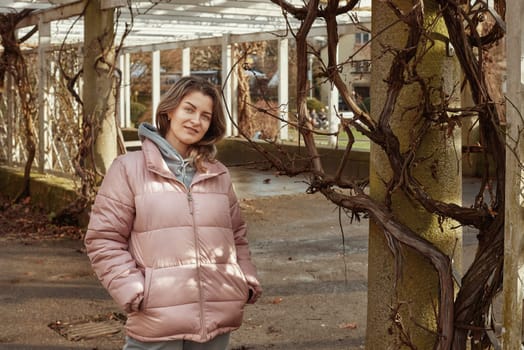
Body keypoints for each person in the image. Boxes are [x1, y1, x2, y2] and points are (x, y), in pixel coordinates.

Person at [84, 76, 262, 350]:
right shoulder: (128, 168)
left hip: (216, 319)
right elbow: (103, 238)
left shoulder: (218, 174)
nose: (196, 121)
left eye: (205, 115)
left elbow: (237, 237)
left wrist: (244, 280)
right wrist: (133, 289)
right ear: (169, 111)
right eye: (189, 109)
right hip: (157, 320)